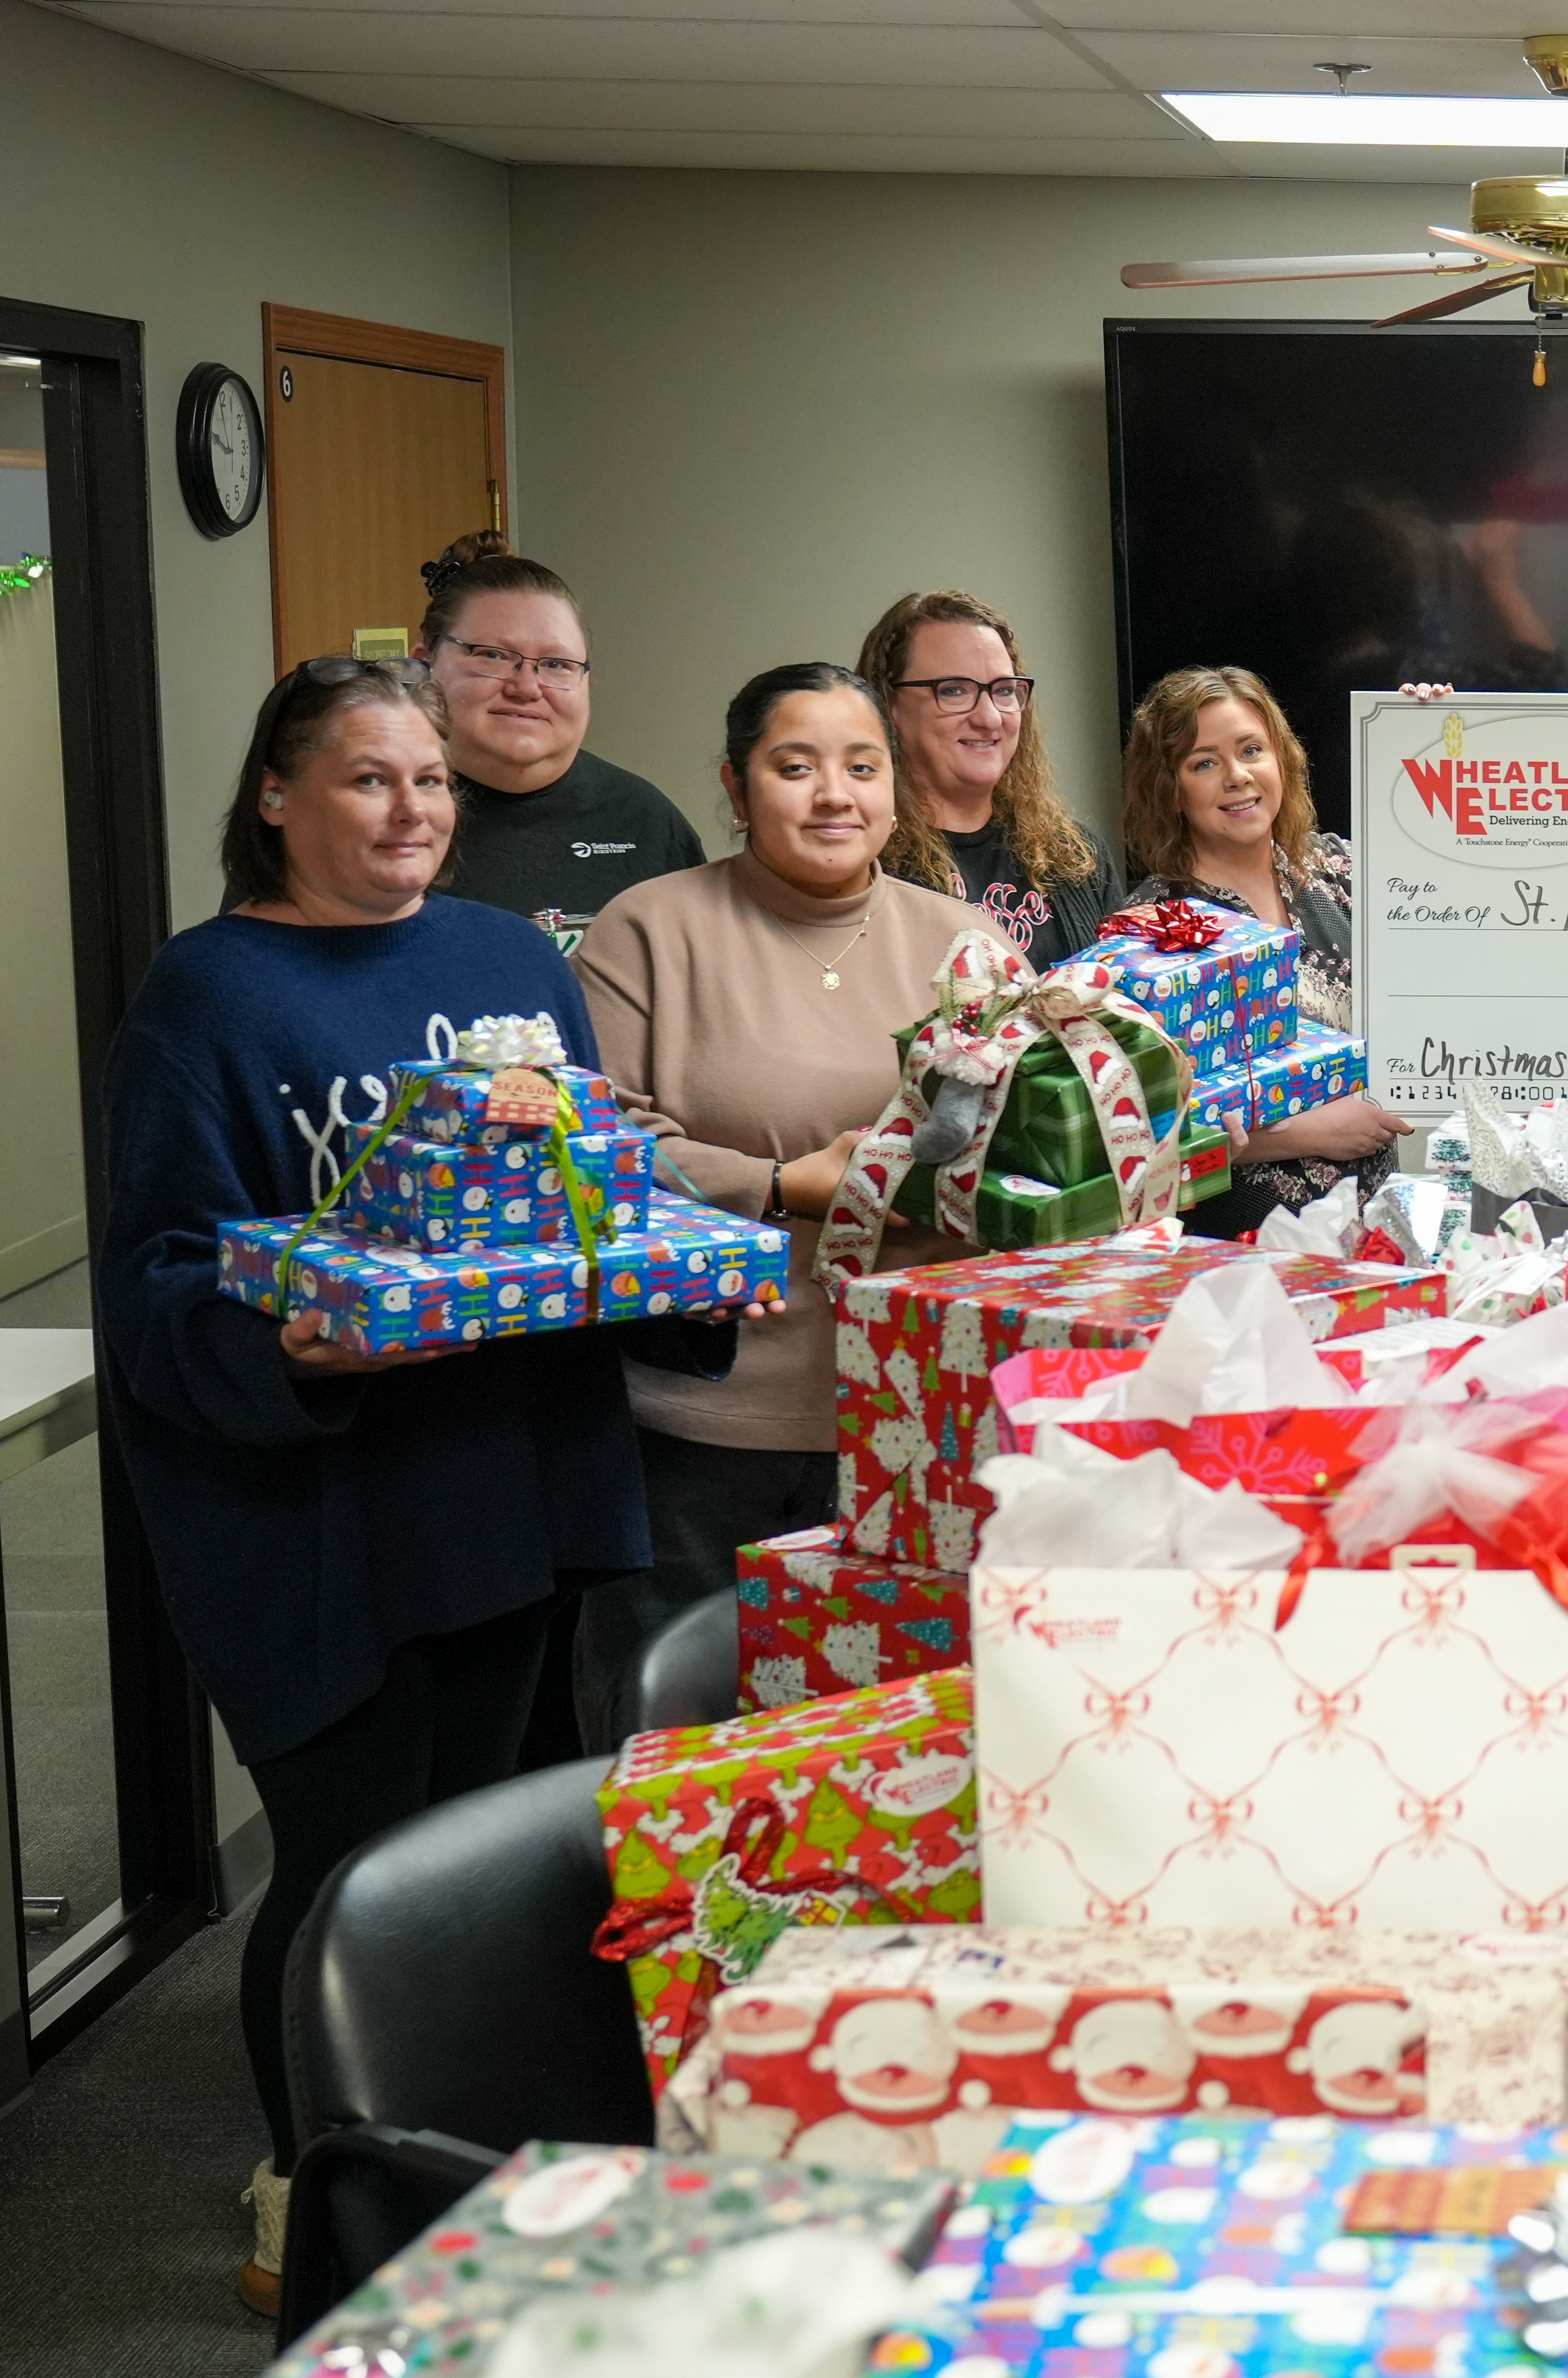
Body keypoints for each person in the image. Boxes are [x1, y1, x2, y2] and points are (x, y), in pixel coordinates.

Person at [93, 657, 718, 2314]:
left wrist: (677, 1256)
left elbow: (588, 1188)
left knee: (491, 1854)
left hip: (513, 1483)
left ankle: (483, 2158)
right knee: (352, 1863)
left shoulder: (511, 956)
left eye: (430, 780)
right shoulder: (207, 994)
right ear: (279, 796)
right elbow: (156, 1279)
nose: (411, 810)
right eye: (367, 779)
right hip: (325, 1514)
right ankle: (319, 2189)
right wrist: (301, 1349)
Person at [570, 664, 983, 1734]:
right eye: (794, 767)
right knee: (677, 1740)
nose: (833, 794)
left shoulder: (966, 946)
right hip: (704, 1420)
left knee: (896, 1743)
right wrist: (774, 1186)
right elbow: (593, 1147)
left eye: (861, 766)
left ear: (897, 789)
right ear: (736, 784)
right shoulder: (650, 928)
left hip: (913, 1415)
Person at [1113, 663, 1410, 1237]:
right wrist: (1308, 1132)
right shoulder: (1150, 930)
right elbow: (1138, 1138)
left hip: (1379, 1229)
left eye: (1251, 750)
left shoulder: (1341, 875)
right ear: (1169, 788)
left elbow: (1467, 891)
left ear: (1281, 759)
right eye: (1204, 762)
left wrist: (1433, 730)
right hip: (1241, 1246)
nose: (1236, 776)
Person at [411, 531, 705, 950]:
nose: (527, 687)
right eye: (491, 655)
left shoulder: (646, 823)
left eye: (556, 664)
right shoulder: (386, 818)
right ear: (423, 664)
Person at [860, 589, 1121, 966]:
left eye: (1003, 691)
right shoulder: (864, 869)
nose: (990, 718)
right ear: (888, 705)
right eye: (953, 691)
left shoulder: (1078, 856)